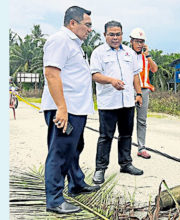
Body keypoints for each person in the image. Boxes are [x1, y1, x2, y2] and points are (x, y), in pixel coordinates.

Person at [41, 6, 100, 214]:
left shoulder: (75, 44)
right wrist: (62, 108)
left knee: (74, 149)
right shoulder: (60, 40)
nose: (90, 30)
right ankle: (55, 200)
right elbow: (51, 74)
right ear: (72, 23)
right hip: (65, 109)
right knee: (60, 153)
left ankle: (76, 183)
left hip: (76, 108)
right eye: (88, 25)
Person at [90, 21, 144, 185]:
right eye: (111, 34)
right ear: (105, 35)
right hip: (108, 103)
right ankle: (100, 169)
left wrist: (139, 93)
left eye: (118, 34)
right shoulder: (98, 53)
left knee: (126, 134)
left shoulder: (129, 53)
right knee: (105, 136)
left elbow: (135, 75)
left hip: (127, 101)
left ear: (122, 35)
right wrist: (111, 81)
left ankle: (126, 164)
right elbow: (95, 75)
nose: (115, 37)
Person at [129, 27, 158, 159]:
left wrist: (148, 56)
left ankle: (141, 147)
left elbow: (154, 69)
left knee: (142, 120)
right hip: (129, 90)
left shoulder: (145, 57)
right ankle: (125, 147)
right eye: (137, 41)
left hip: (144, 90)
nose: (139, 44)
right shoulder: (127, 54)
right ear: (131, 41)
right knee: (127, 120)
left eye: (141, 41)